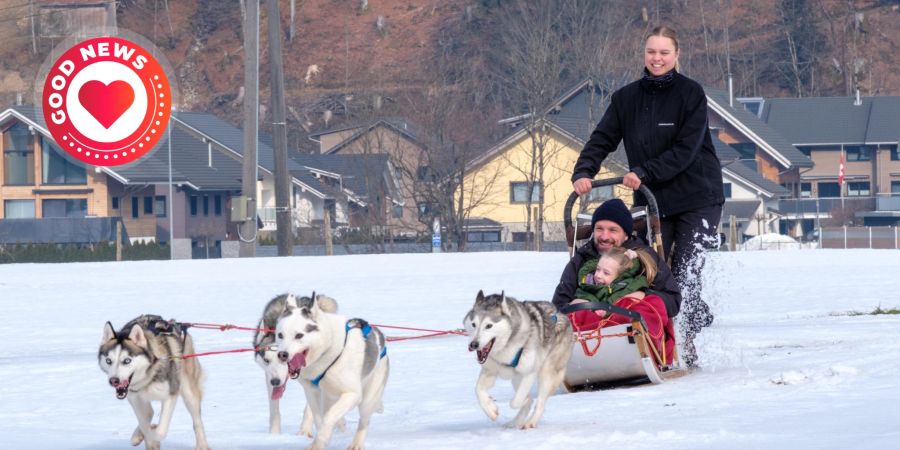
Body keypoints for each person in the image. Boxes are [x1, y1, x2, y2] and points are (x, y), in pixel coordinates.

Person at [570, 25, 724, 364]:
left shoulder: (691, 94)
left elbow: (686, 149)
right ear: (644, 54)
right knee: (650, 269)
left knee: (684, 268)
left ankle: (690, 332)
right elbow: (602, 138)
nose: (657, 58)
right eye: (651, 52)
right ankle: (656, 337)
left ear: (676, 55)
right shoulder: (626, 98)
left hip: (698, 195)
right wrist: (584, 172)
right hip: (652, 198)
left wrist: (643, 171)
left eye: (664, 53)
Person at [552, 198, 681, 319]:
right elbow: (558, 306)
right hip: (589, 333)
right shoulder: (581, 259)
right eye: (599, 229)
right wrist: (578, 304)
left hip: (634, 330)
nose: (604, 236)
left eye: (613, 230)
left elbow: (673, 301)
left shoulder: (644, 256)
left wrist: (642, 296)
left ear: (626, 235)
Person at [569, 246, 676, 365]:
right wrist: (580, 305)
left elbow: (635, 300)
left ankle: (645, 349)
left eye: (606, 273)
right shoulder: (588, 285)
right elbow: (579, 302)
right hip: (592, 333)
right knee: (574, 310)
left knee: (652, 303)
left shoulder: (630, 288)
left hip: (621, 332)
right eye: (598, 269)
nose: (598, 275)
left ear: (620, 277)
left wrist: (609, 312)